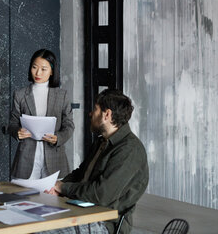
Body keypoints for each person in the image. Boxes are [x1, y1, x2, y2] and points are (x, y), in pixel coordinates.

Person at [43, 89, 149, 234]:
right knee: (31, 222)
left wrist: (63, 188)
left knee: (43, 231)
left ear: (107, 115)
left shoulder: (129, 150)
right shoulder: (101, 142)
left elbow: (101, 195)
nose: (91, 114)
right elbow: (80, 174)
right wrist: (54, 188)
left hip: (104, 224)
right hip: (80, 210)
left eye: (95, 109)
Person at [8, 49, 75, 179]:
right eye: (34, 67)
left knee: (53, 198)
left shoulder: (62, 95)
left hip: (55, 157)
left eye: (44, 69)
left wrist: (58, 138)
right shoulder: (20, 94)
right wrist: (17, 131)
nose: (38, 73)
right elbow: (12, 123)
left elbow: (69, 125)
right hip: (26, 157)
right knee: (23, 197)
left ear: (52, 71)